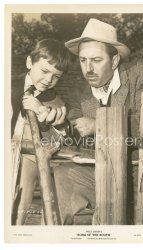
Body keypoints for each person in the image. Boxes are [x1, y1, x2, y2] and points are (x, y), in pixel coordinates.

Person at [54, 18, 143, 225]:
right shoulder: (79, 92)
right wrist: (61, 126)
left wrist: (99, 125)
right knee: (63, 174)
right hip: (102, 174)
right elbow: (75, 133)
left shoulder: (140, 75)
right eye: (83, 60)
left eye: (96, 60)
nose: (88, 69)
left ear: (114, 61)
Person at [11, 39, 69, 225]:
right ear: (30, 62)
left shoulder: (56, 100)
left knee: (19, 209)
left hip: (28, 161)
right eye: (44, 71)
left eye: (56, 76)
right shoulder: (7, 85)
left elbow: (62, 135)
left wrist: (43, 114)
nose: (48, 80)